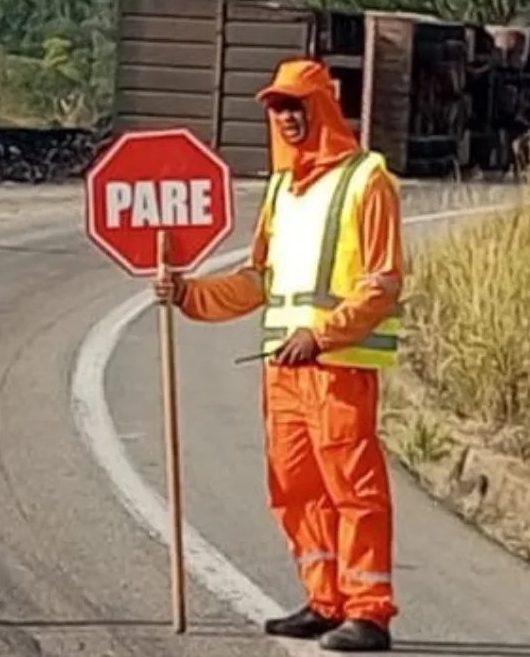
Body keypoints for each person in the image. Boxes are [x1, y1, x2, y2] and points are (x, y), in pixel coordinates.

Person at [155, 57, 402, 652]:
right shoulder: (281, 190)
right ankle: (326, 600)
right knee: (295, 489)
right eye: (277, 108)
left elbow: (383, 282)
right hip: (284, 371)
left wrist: (323, 334)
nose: (286, 117)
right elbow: (257, 281)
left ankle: (369, 612)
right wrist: (189, 295)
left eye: (296, 105)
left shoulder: (368, 180)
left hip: (339, 367)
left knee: (353, 488)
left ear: (322, 107)